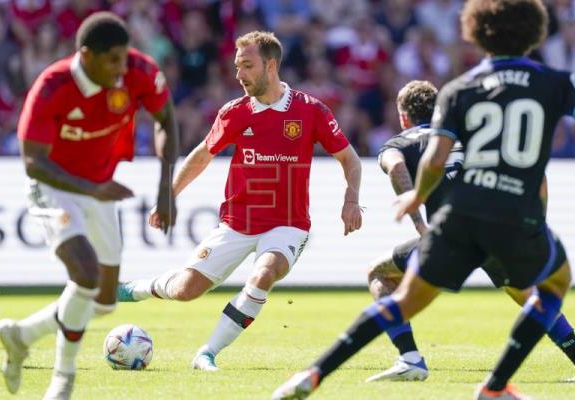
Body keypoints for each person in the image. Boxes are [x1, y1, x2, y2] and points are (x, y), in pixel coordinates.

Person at [272, 1, 572, 399]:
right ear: (536, 32)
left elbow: (432, 158)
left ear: (476, 32)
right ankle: (495, 386)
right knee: (553, 284)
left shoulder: (460, 88)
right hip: (515, 216)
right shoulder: (554, 83)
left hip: (460, 216)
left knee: (402, 300)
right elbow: (539, 176)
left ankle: (313, 373)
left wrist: (418, 197)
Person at [118, 30, 363, 371]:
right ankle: (138, 288)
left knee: (265, 273)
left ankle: (207, 353)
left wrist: (351, 199)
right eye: (237, 66)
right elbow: (202, 155)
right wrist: (168, 195)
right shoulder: (235, 112)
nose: (239, 74)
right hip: (237, 222)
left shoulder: (311, 110)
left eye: (247, 66)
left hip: (287, 225)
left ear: (271, 65)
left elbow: (350, 159)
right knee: (186, 290)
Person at [0, 12, 178, 400]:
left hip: (98, 189)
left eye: (124, 58)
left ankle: (20, 335)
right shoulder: (52, 86)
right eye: (112, 60)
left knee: (105, 303)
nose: (120, 68)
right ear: (86, 55)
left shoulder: (139, 72)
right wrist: (91, 189)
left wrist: (165, 189)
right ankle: (63, 378)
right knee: (85, 274)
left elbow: (166, 120)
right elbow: (33, 162)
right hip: (53, 188)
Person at [367, 80, 575, 382]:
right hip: (499, 231)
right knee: (532, 297)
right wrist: (535, 222)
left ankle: (410, 357)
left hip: (452, 237)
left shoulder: (399, 143)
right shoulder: (476, 135)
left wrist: (419, 224)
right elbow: (536, 172)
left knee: (379, 273)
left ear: (403, 117)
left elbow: (397, 168)